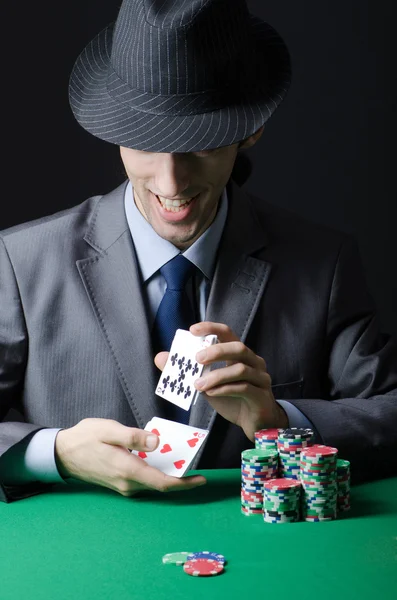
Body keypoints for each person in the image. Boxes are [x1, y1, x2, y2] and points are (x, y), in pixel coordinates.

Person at [1, 0, 396, 504]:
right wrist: (53, 452)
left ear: (249, 130)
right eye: (145, 142)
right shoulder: (19, 262)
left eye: (199, 143)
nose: (171, 182)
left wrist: (278, 420)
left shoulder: (324, 265)